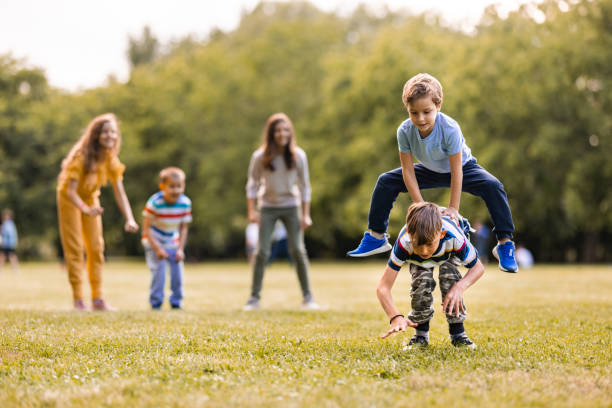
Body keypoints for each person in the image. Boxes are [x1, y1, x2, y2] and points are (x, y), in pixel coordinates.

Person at [348, 73, 518, 273]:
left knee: (493, 186)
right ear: (408, 110)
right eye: (414, 113)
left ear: (438, 106)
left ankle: (505, 243)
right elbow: (408, 171)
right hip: (429, 169)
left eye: (426, 111)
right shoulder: (404, 131)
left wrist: (453, 208)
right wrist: (419, 205)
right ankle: (377, 236)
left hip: (463, 168)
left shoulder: (449, 128)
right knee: (386, 181)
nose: (420, 119)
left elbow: (456, 172)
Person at [57, 113, 139, 311]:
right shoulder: (82, 157)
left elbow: (120, 192)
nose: (110, 135)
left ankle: (98, 299)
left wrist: (130, 218)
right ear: (96, 135)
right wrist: (85, 209)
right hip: (70, 200)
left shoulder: (111, 159)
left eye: (113, 132)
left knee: (96, 248)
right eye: (105, 132)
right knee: (75, 248)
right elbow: (70, 191)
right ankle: (78, 299)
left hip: (91, 199)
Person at [377, 202, 485, 349]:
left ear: (441, 234)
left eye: (429, 244)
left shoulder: (454, 237)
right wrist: (395, 317)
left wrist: (460, 287)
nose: (425, 251)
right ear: (409, 234)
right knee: (421, 282)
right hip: (417, 255)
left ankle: (458, 334)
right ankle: (420, 336)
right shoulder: (405, 243)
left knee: (450, 277)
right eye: (418, 244)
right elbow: (383, 288)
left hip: (449, 250)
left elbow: (478, 268)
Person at [243, 112, 318, 311]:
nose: (281, 133)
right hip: (267, 206)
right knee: (262, 252)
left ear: (290, 132)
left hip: (291, 206)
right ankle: (254, 298)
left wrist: (306, 214)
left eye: (285, 130)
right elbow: (252, 185)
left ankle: (308, 298)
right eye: (277, 130)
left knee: (298, 251)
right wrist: (252, 211)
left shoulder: (298, 155)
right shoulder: (260, 157)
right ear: (271, 133)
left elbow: (304, 187)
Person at [142, 167, 192, 310]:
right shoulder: (155, 203)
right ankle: (156, 303)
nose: (175, 190)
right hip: (154, 240)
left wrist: (180, 249)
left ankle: (176, 302)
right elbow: (146, 228)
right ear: (162, 187)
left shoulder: (185, 203)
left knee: (177, 272)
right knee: (160, 271)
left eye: (179, 186)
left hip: (172, 241)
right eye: (171, 186)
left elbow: (183, 228)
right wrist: (157, 248)